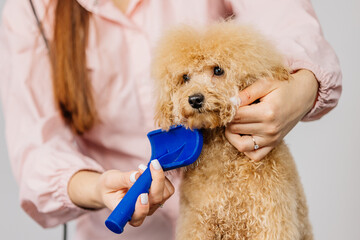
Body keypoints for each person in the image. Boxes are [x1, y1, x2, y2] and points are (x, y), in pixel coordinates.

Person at [0, 0, 341, 239]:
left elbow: (287, 21)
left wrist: (302, 85)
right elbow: (37, 149)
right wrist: (98, 187)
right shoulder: (30, 10)